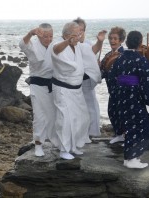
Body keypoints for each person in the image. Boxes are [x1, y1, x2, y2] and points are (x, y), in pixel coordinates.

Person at [108, 31, 149, 168]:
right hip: (134, 97)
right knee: (136, 126)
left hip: (121, 96)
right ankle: (130, 159)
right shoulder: (140, 60)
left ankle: (134, 154)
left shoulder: (119, 59)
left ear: (126, 42)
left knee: (138, 124)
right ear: (140, 42)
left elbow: (112, 78)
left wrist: (116, 94)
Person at [51, 22, 91, 160]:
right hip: (63, 89)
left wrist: (100, 41)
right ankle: (63, 149)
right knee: (65, 120)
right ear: (67, 35)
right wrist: (68, 41)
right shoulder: (58, 44)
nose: (79, 37)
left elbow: (91, 53)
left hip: (76, 90)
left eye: (80, 34)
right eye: (76, 34)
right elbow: (55, 50)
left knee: (81, 118)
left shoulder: (78, 46)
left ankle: (74, 146)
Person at [19, 23, 56, 157]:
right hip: (37, 85)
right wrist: (30, 33)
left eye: (51, 36)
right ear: (39, 35)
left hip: (52, 85)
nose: (48, 39)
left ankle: (52, 140)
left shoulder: (54, 45)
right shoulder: (33, 44)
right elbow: (22, 45)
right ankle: (38, 144)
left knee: (53, 115)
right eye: (45, 36)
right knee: (39, 116)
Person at [73, 17, 106, 138]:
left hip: (87, 81)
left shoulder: (86, 44)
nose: (80, 32)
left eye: (82, 30)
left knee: (92, 108)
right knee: (77, 111)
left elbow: (93, 50)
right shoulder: (69, 44)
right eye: (78, 30)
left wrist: (100, 41)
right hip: (73, 83)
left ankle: (92, 133)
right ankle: (79, 135)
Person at [99, 27, 126, 144]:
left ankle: (124, 135)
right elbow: (101, 74)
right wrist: (98, 66)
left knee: (122, 113)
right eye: (110, 38)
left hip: (123, 91)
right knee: (112, 111)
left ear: (121, 40)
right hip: (112, 90)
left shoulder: (124, 54)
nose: (112, 41)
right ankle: (118, 134)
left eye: (115, 39)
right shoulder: (108, 55)